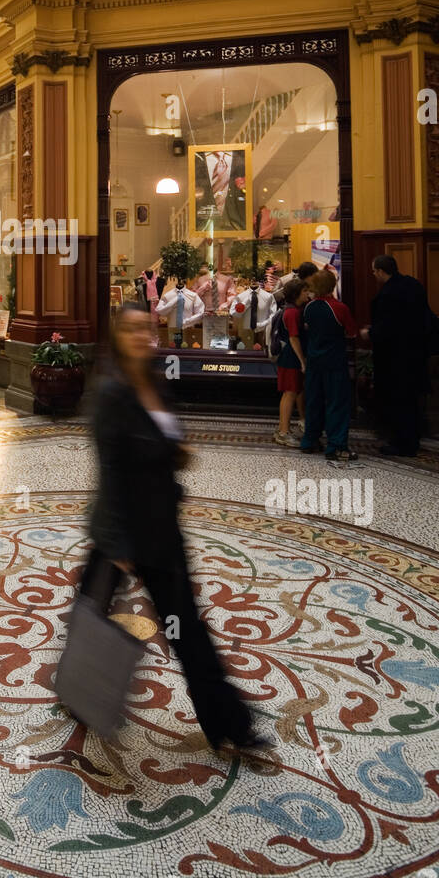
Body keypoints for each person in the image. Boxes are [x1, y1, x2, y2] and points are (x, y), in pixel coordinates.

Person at [82, 306, 270, 754]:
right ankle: (78, 692)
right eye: (129, 329)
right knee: (88, 619)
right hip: (122, 533)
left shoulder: (157, 382)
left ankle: (229, 724)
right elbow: (109, 470)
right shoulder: (111, 393)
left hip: (160, 529)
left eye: (145, 329)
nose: (140, 336)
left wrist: (177, 453)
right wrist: (117, 543)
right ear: (117, 336)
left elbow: (163, 443)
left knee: (185, 628)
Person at [360, 255, 431, 456]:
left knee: (398, 399)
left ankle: (402, 443)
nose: (373, 275)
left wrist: (369, 333)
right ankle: (412, 438)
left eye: (374, 271)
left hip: (395, 358)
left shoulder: (389, 294)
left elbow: (390, 326)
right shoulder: (412, 285)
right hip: (416, 352)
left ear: (382, 271)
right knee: (411, 399)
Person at [300, 270, 359, 463]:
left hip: (313, 361)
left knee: (314, 401)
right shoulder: (339, 308)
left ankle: (310, 440)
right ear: (332, 285)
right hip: (334, 361)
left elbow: (307, 329)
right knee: (337, 402)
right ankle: (336, 445)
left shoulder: (309, 307)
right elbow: (351, 333)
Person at [273, 276, 310, 446]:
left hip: (289, 356)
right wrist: (302, 360)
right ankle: (283, 432)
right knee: (289, 393)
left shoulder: (290, 310)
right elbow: (294, 338)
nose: (307, 294)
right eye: (304, 291)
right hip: (291, 358)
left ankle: (284, 427)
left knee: (292, 392)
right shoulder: (292, 313)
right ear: (296, 294)